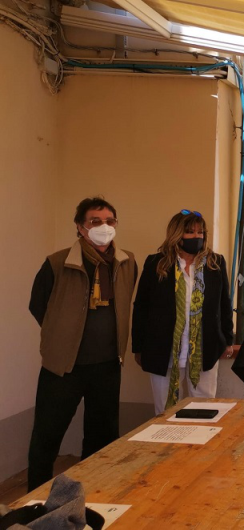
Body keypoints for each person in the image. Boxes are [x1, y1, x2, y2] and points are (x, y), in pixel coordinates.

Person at [27, 197, 138, 491]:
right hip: (63, 367)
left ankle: (94, 497)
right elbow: (38, 306)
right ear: (80, 226)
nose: (104, 227)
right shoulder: (57, 263)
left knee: (102, 441)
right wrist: (62, 336)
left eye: (110, 221)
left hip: (107, 366)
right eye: (95, 221)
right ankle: (33, 503)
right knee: (46, 438)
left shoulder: (126, 262)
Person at [132, 210, 234, 415]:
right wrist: (139, 347)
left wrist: (227, 340)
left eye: (200, 232)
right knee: (165, 411)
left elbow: (224, 304)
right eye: (190, 232)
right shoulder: (156, 263)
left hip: (204, 349)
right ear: (177, 234)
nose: (196, 236)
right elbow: (141, 306)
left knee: (204, 409)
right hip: (163, 349)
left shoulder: (215, 263)